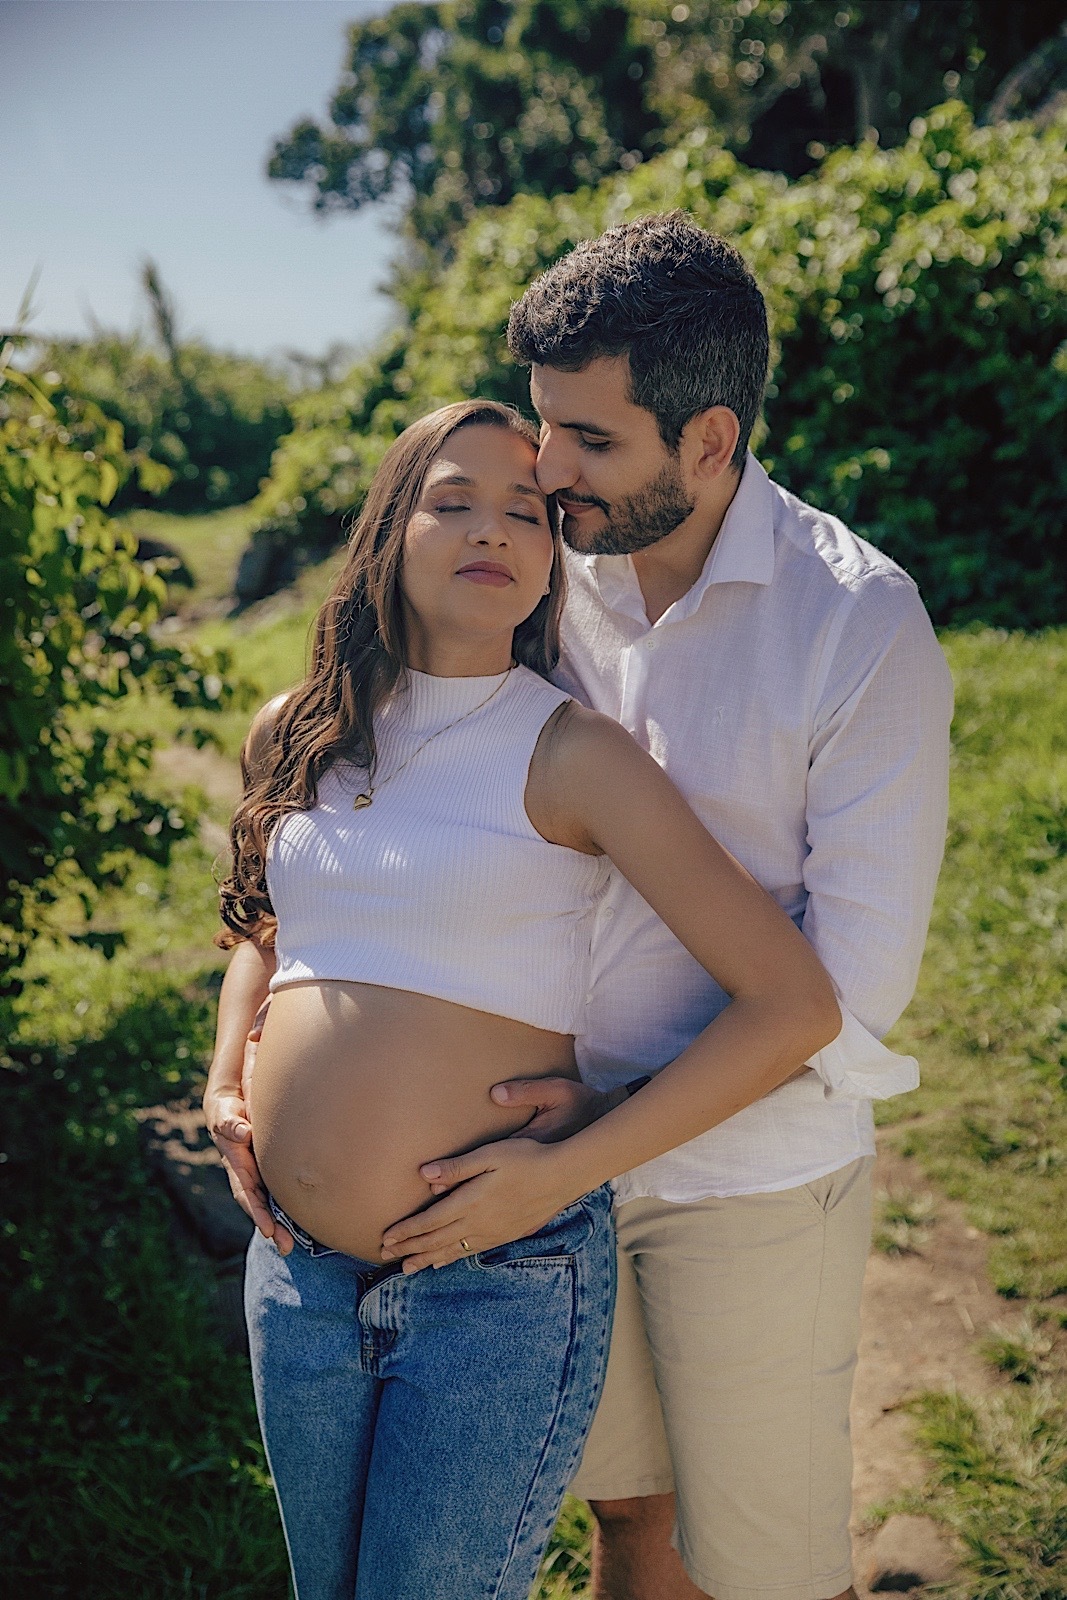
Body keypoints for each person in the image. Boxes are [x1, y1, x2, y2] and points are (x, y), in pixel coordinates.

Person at [376, 215, 954, 1600]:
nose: (543, 471)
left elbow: (849, 995)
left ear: (707, 441)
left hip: (746, 1183)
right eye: (540, 427)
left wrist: (597, 1140)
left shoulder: (854, 627)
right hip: (546, 1162)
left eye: (588, 440)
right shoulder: (535, 571)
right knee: (624, 1526)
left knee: (758, 1568)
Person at [203, 397, 844, 1600]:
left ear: (554, 558)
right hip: (294, 1272)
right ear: (389, 531)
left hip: (493, 1280)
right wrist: (224, 1074)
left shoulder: (574, 754)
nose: (493, 529)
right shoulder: (298, 732)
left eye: (528, 510)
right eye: (453, 501)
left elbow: (790, 1003)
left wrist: (565, 1167)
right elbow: (269, 923)